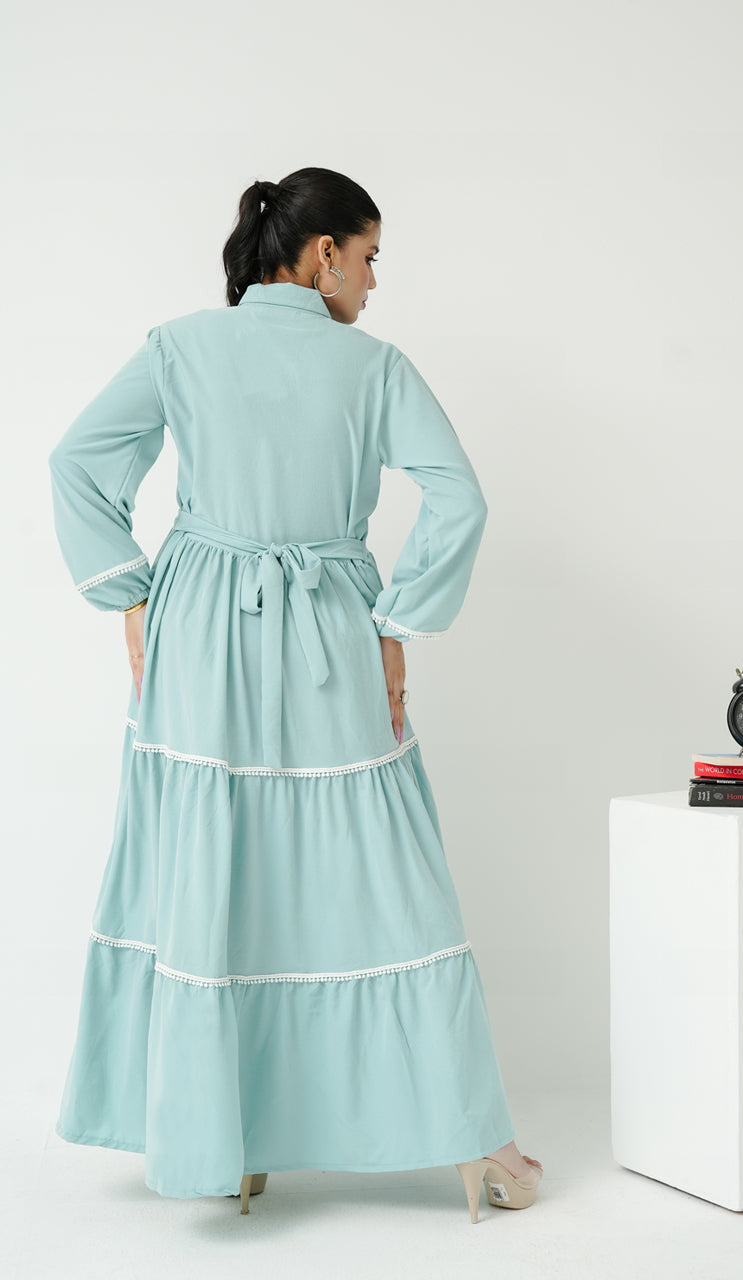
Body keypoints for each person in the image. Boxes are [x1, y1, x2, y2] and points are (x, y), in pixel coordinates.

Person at [48, 166, 542, 1220]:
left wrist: (131, 595)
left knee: (210, 859)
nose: (373, 281)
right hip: (332, 624)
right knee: (382, 861)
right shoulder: (374, 366)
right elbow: (457, 496)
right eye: (369, 257)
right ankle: (473, 1139)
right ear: (323, 255)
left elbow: (76, 460)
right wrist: (396, 624)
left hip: (196, 626)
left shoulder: (182, 345)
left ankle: (225, 1138)